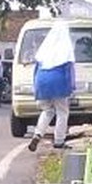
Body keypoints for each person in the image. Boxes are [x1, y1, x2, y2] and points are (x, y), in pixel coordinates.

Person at [29, 22, 75, 151]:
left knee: (47, 111)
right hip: (59, 83)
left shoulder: (44, 49)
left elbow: (35, 70)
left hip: (41, 81)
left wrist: (37, 88)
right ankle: (59, 141)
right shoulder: (66, 49)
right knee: (62, 112)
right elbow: (69, 71)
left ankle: (38, 134)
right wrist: (71, 88)